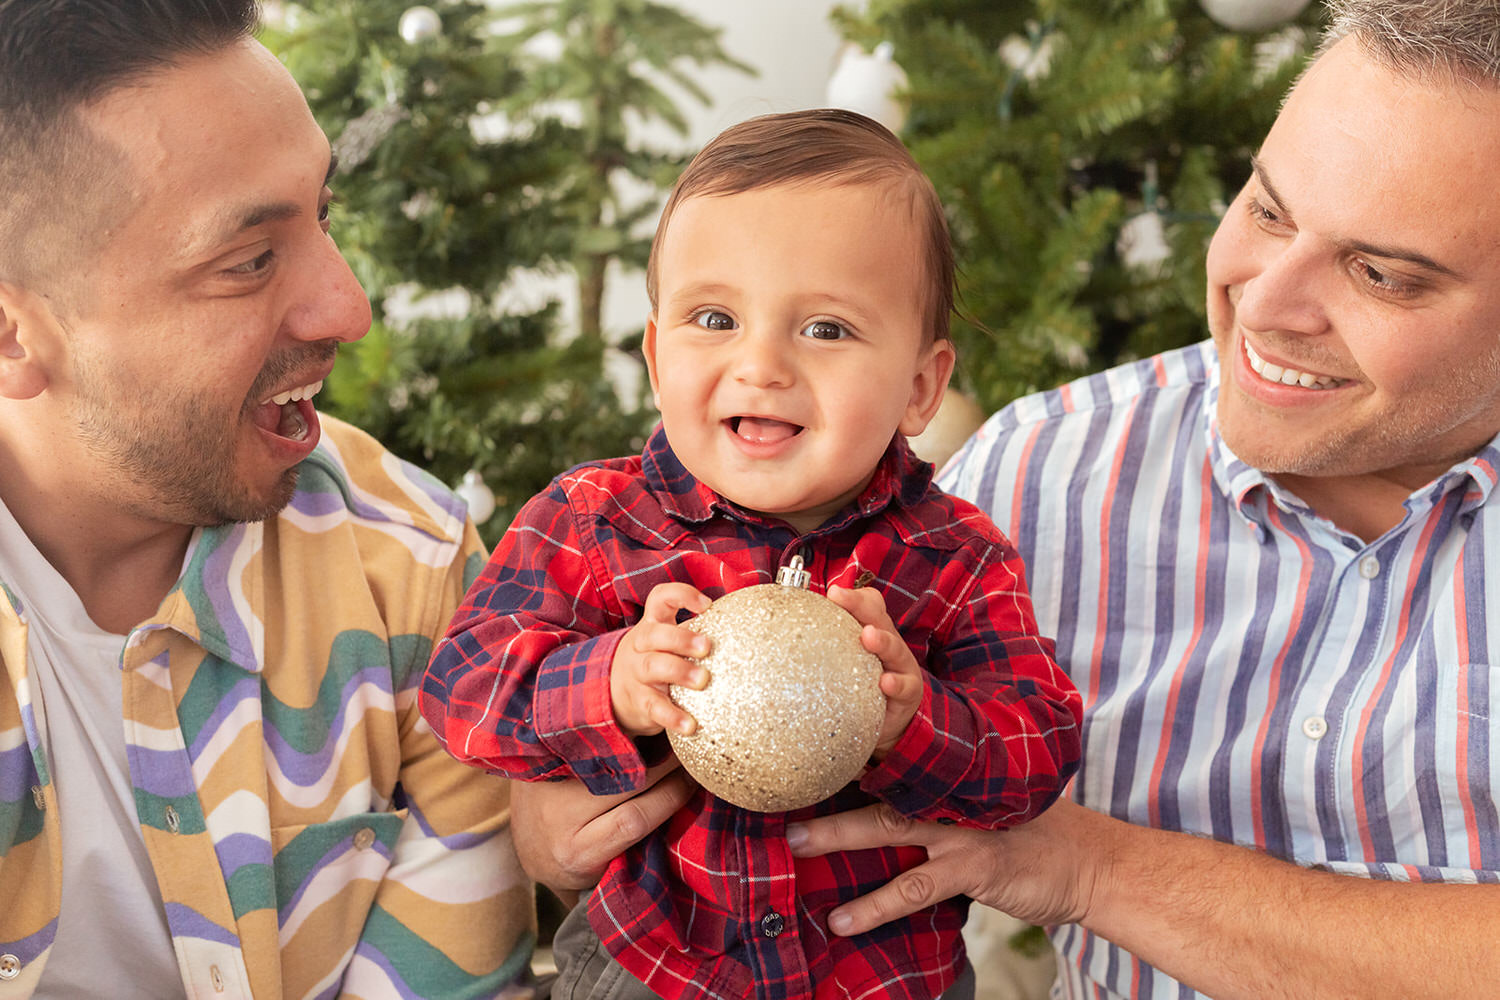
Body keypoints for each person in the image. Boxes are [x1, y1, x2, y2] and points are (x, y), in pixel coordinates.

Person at [772, 1, 1500, 997]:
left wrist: (1083, 865)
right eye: (1270, 210)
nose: (1264, 300)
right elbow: (778, 744)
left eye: (1379, 273)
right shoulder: (1040, 475)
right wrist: (573, 786)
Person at [420, 109, 1083, 1000]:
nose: (761, 364)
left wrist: (912, 719)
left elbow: (1039, 746)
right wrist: (610, 681)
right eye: (715, 317)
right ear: (657, 357)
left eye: (826, 330)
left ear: (921, 387)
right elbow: (459, 687)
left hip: (883, 977)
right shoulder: (591, 522)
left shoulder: (956, 556)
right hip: (652, 968)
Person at [0, 2, 533, 996]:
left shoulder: (417, 572)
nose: (350, 308)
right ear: (13, 332)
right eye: (248, 261)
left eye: (322, 216)